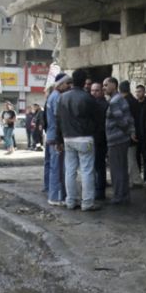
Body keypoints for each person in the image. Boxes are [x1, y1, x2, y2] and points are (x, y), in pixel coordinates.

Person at [56, 69, 101, 211]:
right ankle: (87, 202)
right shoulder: (88, 98)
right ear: (84, 82)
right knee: (87, 171)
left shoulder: (62, 97)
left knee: (70, 170)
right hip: (85, 137)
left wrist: (59, 140)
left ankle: (71, 200)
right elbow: (97, 119)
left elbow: (58, 120)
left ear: (72, 81)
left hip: (68, 138)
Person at [104, 77, 137, 205]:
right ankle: (124, 195)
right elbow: (130, 118)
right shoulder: (121, 99)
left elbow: (121, 120)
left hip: (116, 140)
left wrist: (128, 130)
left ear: (114, 85)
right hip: (122, 139)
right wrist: (130, 131)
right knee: (122, 168)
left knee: (116, 169)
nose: (104, 87)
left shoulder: (114, 101)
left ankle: (119, 196)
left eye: (106, 85)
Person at [44, 73, 72, 205]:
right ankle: (56, 197)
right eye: (67, 83)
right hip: (56, 138)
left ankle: (54, 195)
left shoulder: (52, 96)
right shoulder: (57, 97)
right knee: (58, 168)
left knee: (54, 167)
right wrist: (59, 139)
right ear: (60, 84)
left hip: (51, 136)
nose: (69, 86)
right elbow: (58, 119)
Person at [119, 81, 143, 188]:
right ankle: (137, 180)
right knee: (132, 157)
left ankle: (130, 181)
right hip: (135, 132)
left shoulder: (124, 102)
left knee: (129, 158)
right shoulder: (134, 101)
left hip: (128, 133)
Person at [90, 82, 108, 201]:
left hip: (100, 139)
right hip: (93, 139)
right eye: (92, 90)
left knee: (99, 166)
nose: (94, 93)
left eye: (97, 90)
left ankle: (100, 191)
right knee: (94, 166)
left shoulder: (104, 105)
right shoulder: (91, 103)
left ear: (102, 91)